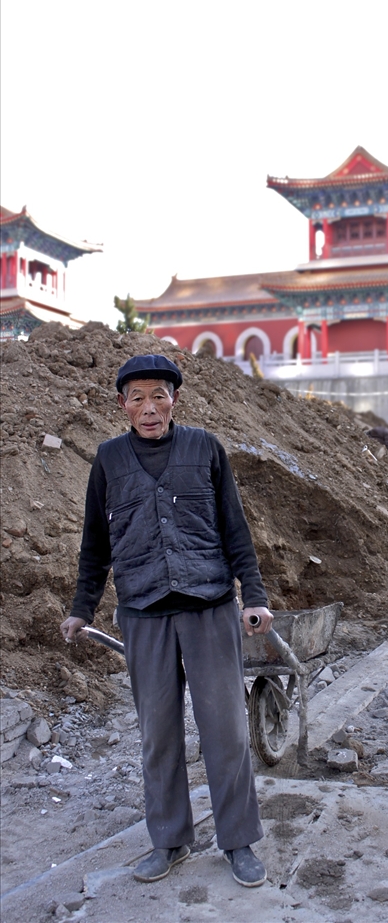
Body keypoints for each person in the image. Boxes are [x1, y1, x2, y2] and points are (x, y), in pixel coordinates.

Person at [60, 354, 273, 888]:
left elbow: (235, 530)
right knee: (158, 735)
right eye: (137, 398)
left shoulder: (205, 448)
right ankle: (170, 840)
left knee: (225, 730)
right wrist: (81, 608)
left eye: (159, 396)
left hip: (208, 606)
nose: (149, 408)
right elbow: (94, 545)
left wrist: (255, 595)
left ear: (175, 399)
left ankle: (239, 842)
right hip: (143, 612)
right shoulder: (108, 459)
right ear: (122, 405)